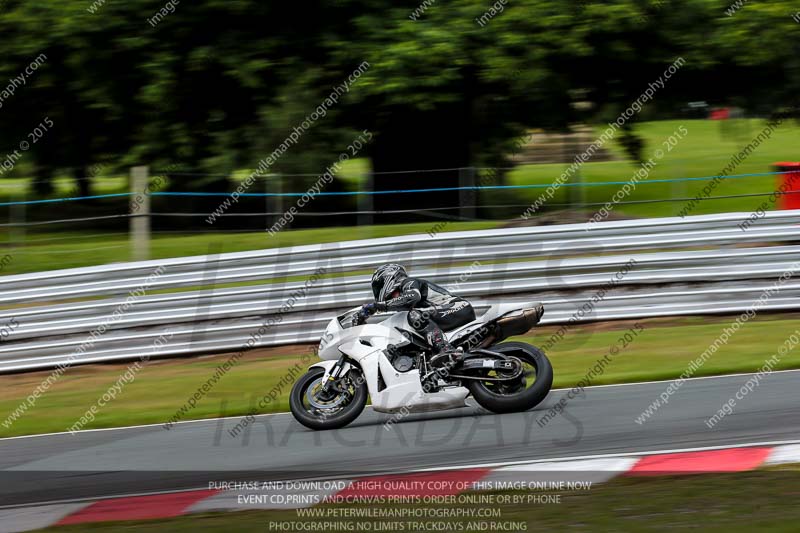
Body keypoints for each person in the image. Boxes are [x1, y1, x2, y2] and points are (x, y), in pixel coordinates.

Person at [356, 263, 476, 363]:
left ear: (389, 279)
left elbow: (411, 297)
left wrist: (377, 306)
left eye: (378, 286)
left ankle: (445, 348)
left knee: (414, 316)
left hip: (458, 307)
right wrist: (362, 323)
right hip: (448, 313)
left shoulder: (408, 282)